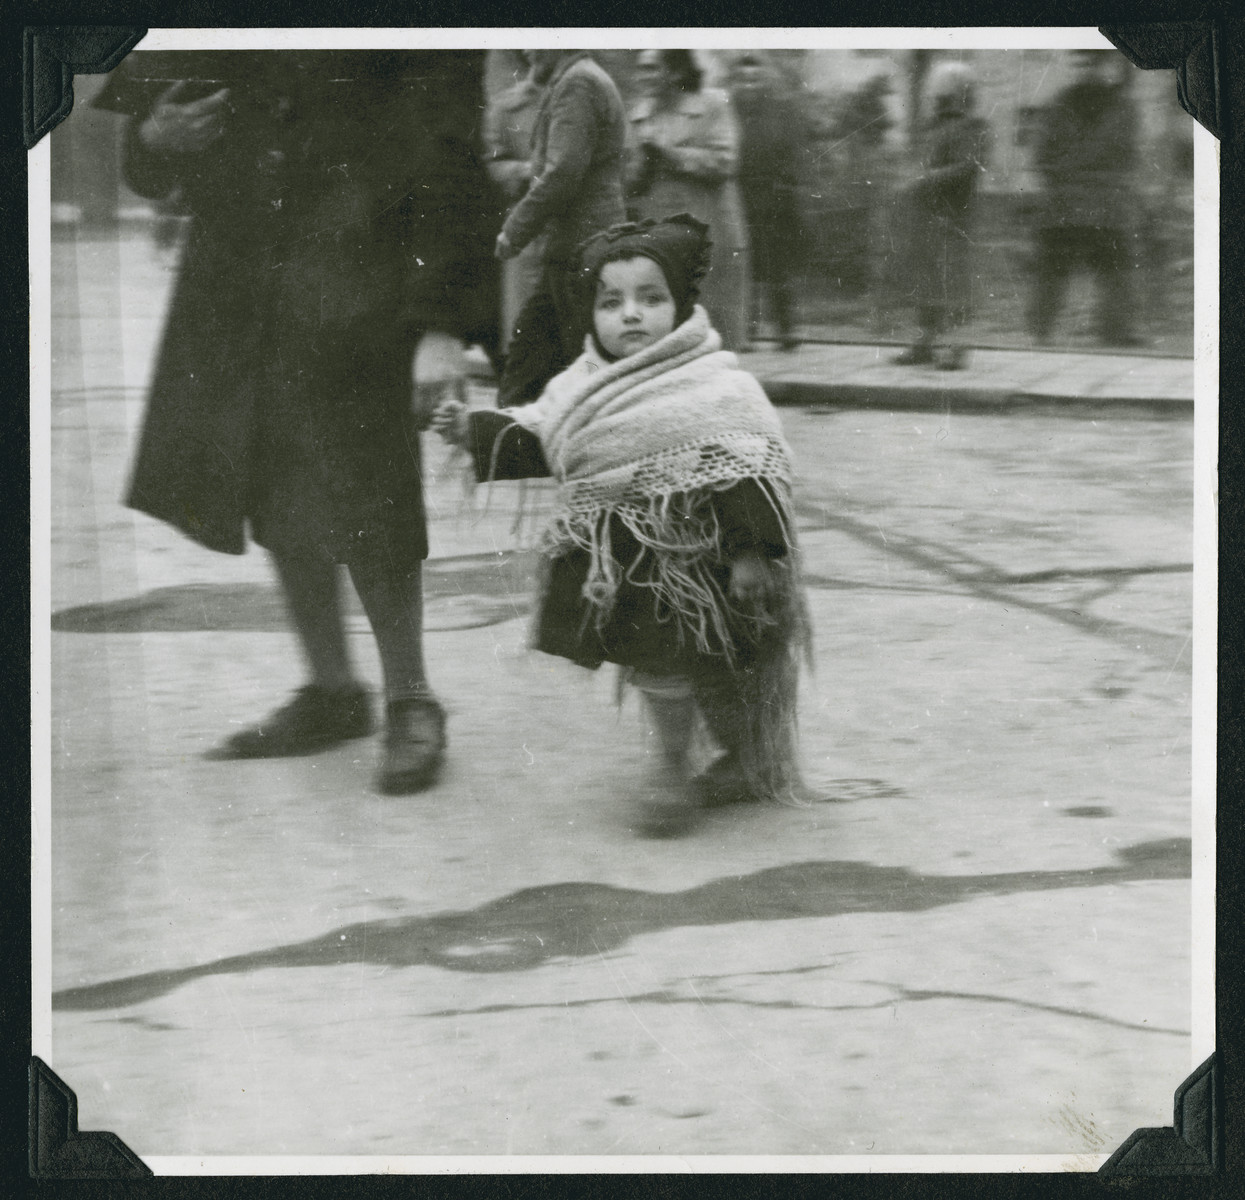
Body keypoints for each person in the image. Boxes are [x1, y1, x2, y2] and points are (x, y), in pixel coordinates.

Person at [103, 51, 498, 793]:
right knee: (269, 477)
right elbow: (145, 159)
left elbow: (453, 160)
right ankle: (332, 691)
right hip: (242, 271)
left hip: (362, 267)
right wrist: (156, 138)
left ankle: (410, 697)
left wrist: (443, 323)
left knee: (370, 483)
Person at [434, 215, 809, 837]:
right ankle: (668, 766)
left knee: (727, 668)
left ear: (683, 308)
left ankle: (748, 755)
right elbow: (545, 435)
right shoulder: (581, 387)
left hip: (712, 562)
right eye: (612, 303)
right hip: (638, 564)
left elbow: (749, 464)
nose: (630, 315)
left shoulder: (716, 384)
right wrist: (472, 429)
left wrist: (751, 554)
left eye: (651, 298)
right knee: (659, 665)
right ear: (592, 315)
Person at [494, 50, 627, 407]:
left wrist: (515, 230)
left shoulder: (578, 83)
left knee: (569, 374)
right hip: (578, 247)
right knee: (534, 368)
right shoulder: (579, 77)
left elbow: (564, 171)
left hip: (580, 250)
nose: (526, 49)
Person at [626, 50, 750, 350]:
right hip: (661, 235)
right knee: (666, 332)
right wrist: (638, 166)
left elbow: (726, 160)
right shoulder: (638, 114)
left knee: (714, 333)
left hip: (711, 233)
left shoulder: (713, 104)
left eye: (652, 69)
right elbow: (630, 180)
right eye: (641, 70)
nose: (644, 77)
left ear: (676, 72)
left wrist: (670, 153)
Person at [1027, 50, 1142, 348]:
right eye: (1083, 62)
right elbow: (1041, 157)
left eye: (1095, 62)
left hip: (1104, 205)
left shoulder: (1124, 109)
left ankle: (1115, 332)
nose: (1089, 69)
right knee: (1052, 269)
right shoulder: (1058, 106)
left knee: (1115, 269)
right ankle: (1039, 335)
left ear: (1107, 66)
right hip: (1066, 204)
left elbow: (1130, 158)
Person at [893, 60, 990, 371]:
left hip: (955, 215)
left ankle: (957, 347)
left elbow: (967, 168)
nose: (939, 97)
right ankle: (925, 342)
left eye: (945, 92)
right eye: (939, 92)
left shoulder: (972, 128)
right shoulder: (931, 127)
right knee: (927, 280)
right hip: (926, 215)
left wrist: (925, 178)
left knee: (954, 282)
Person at [730, 53, 805, 350]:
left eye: (755, 79)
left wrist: (786, 187)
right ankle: (745, 330)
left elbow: (793, 152)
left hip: (775, 200)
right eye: (744, 79)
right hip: (740, 197)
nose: (750, 85)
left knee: (778, 268)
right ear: (737, 82)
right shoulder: (729, 110)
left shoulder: (781, 111)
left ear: (765, 81)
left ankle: (786, 330)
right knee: (744, 265)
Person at [482, 52, 545, 355]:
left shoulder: (586, 99)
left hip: (576, 223)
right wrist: (525, 171)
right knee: (524, 321)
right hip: (526, 227)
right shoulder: (506, 107)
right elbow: (492, 164)